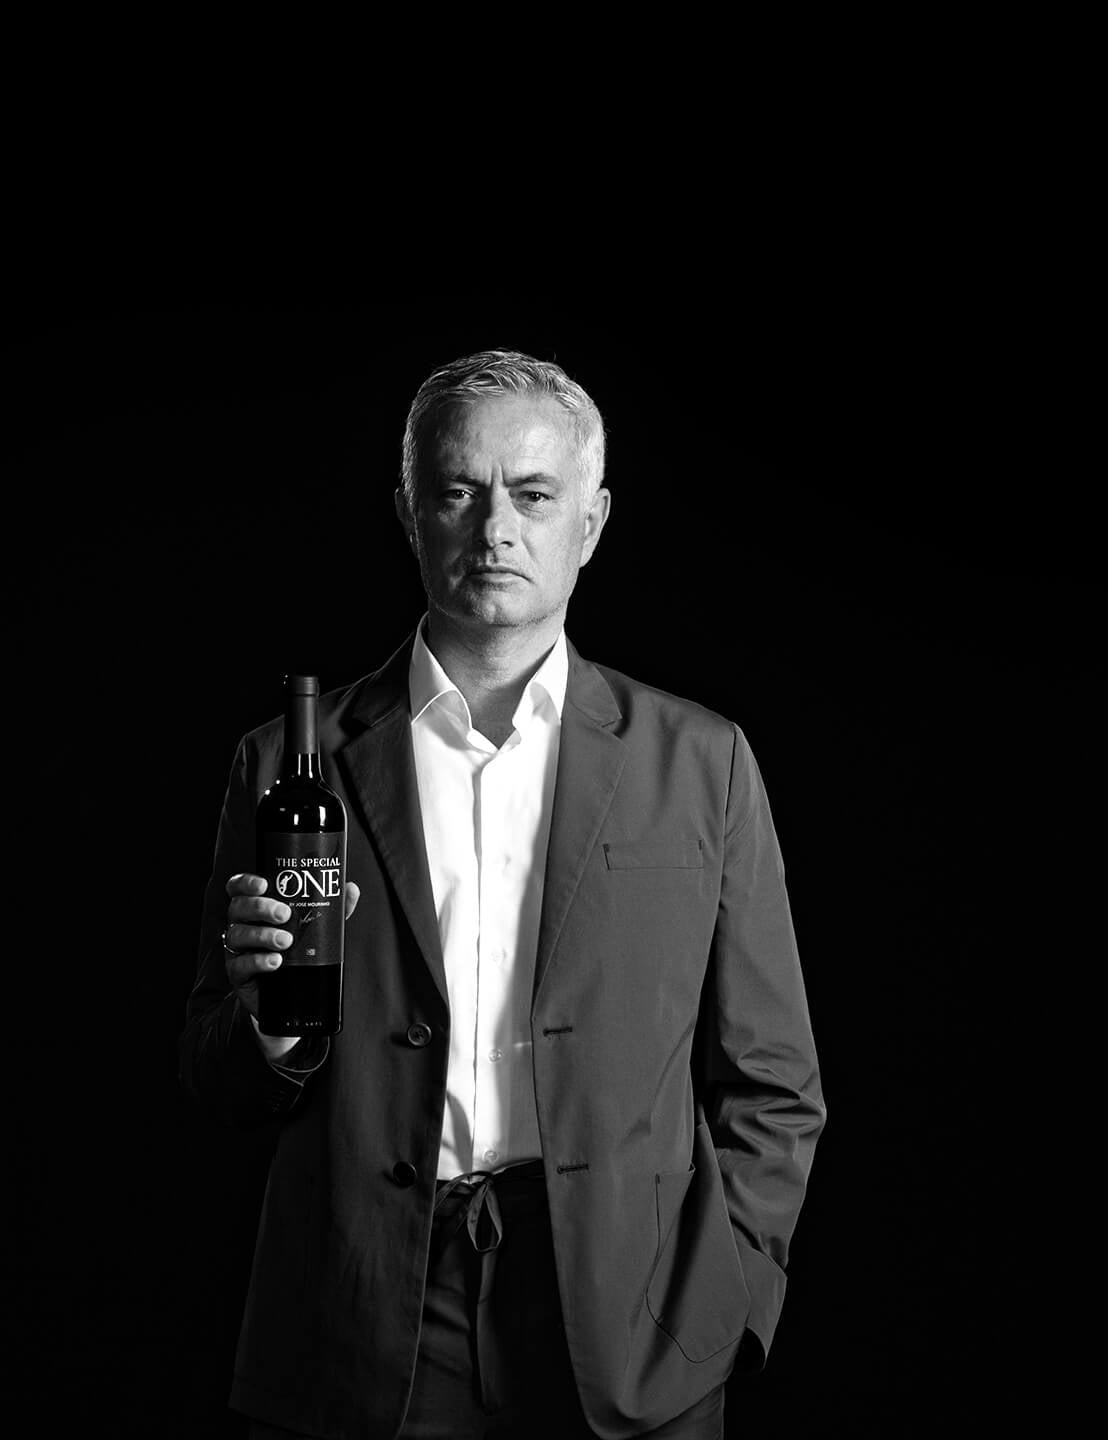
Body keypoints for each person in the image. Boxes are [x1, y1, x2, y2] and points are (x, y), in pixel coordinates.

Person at [180, 349, 825, 1439]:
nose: (495, 528)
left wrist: (732, 1297)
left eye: (533, 495)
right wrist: (274, 1037)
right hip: (368, 1314)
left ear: (593, 520)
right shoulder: (292, 764)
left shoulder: (699, 759)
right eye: (457, 491)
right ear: (408, 511)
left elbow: (775, 1082)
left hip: (636, 1316)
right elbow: (210, 1079)